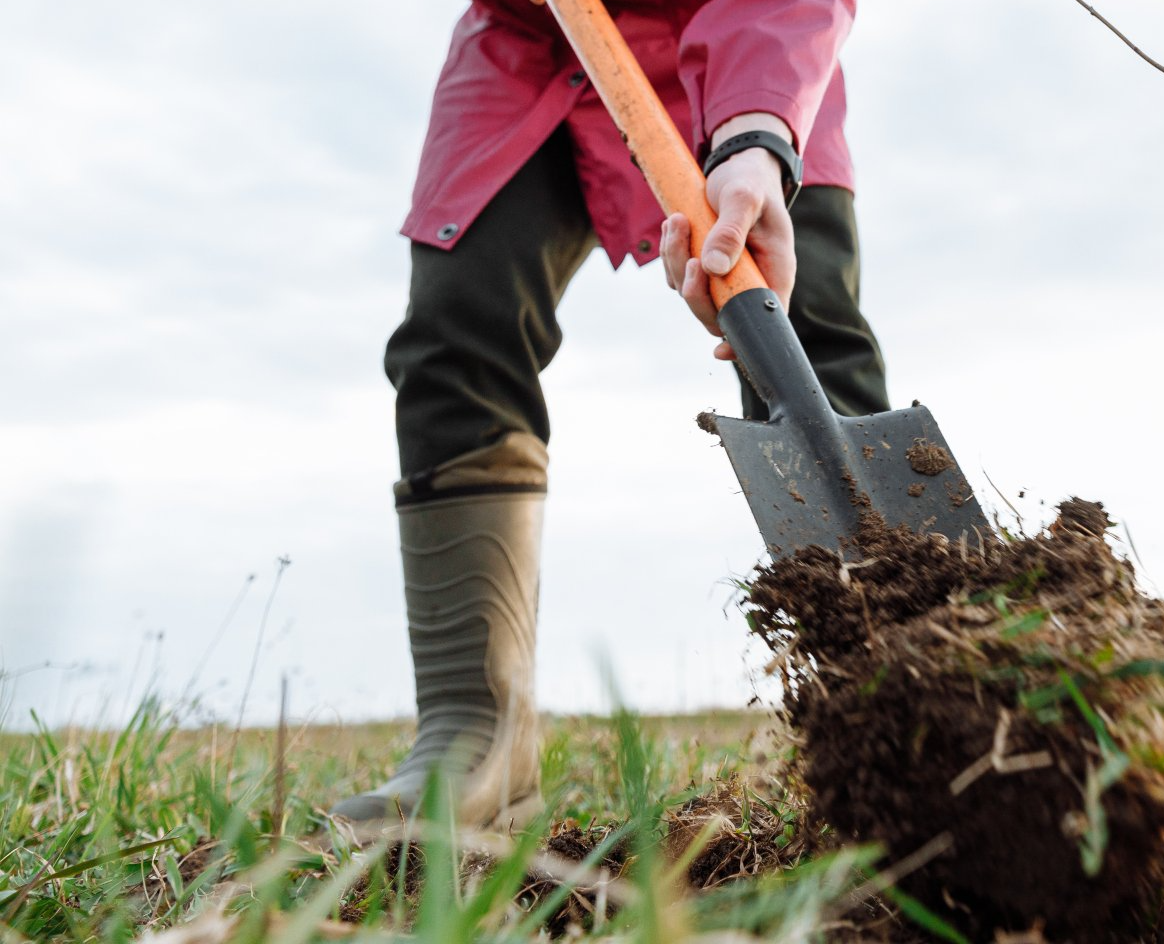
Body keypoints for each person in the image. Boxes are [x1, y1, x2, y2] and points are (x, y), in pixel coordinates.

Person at [329, 0, 888, 828]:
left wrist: (754, 134)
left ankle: (894, 710)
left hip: (745, 41)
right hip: (533, 44)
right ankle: (477, 740)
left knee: (807, 344)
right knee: (457, 330)